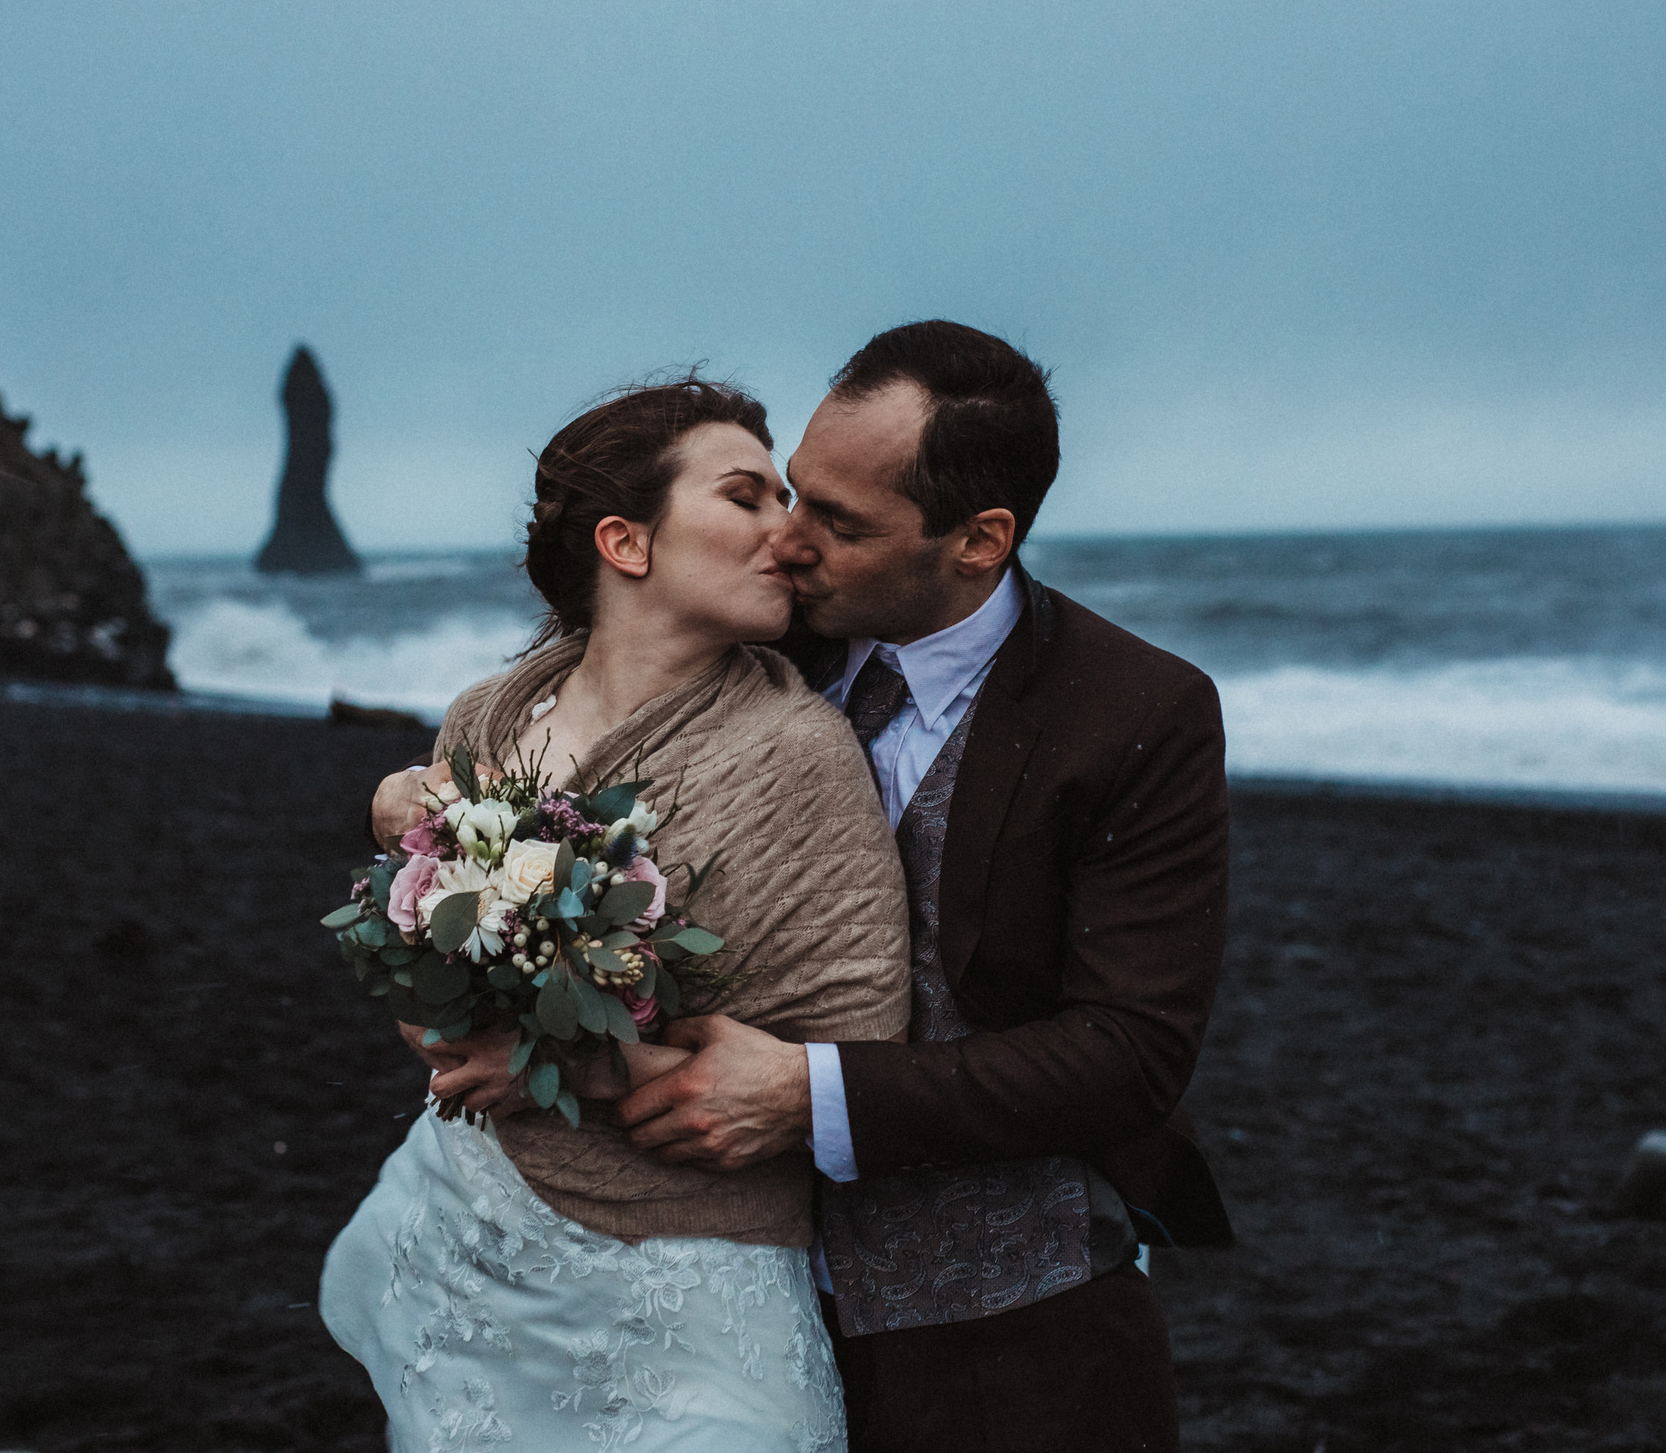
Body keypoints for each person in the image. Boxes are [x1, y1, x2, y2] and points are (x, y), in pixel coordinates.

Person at [389, 323, 1231, 1453]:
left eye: (838, 523)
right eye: (795, 494)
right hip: (707, 1280)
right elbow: (557, 746)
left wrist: (814, 1096)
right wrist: (410, 815)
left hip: (1000, 1320)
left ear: (980, 541)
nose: (788, 540)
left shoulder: (1132, 714)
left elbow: (1130, 1053)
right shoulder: (746, 646)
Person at [320, 377, 911, 1452]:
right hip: (474, 1218)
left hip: (678, 1270)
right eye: (747, 496)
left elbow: (852, 1050)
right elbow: (425, 966)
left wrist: (565, 1071)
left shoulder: (795, 753)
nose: (789, 531)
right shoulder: (489, 713)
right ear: (625, 543)